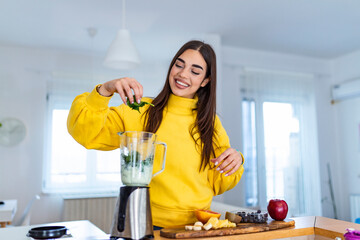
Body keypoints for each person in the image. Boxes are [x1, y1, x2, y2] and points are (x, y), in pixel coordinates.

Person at [67, 40, 244, 228]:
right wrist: (105, 89)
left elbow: (218, 182)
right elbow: (85, 133)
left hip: (196, 229)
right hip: (144, 224)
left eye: (195, 71)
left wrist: (237, 160)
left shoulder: (211, 124)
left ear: (205, 81)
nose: (183, 74)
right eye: (179, 64)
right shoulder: (141, 110)